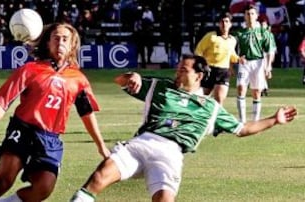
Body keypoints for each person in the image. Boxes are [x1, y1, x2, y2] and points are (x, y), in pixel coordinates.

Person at [69, 54, 297, 202]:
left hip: (171, 154)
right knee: (97, 179)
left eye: (183, 70)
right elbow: (120, 81)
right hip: (141, 144)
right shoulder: (160, 86)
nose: (177, 72)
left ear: (198, 76)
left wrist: (274, 119)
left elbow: (243, 129)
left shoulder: (210, 107)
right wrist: (132, 76)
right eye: (178, 68)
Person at [0, 22, 110, 202]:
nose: (60, 42)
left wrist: (101, 146)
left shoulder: (79, 80)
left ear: (72, 45)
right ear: (47, 43)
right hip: (22, 130)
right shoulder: (29, 70)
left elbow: (87, 114)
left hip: (50, 139)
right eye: (56, 38)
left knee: (44, 188)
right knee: (2, 183)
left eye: (65, 39)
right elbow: (3, 102)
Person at [233, 4, 276, 123]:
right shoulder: (239, 33)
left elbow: (270, 50)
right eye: (247, 14)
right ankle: (242, 121)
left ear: (256, 16)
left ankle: (255, 121)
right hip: (244, 63)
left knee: (256, 92)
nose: (250, 16)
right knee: (241, 88)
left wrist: (268, 67)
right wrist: (236, 58)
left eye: (252, 13)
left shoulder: (263, 32)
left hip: (258, 63)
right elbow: (231, 49)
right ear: (244, 16)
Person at [195, 12, 241, 105]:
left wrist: (239, 59)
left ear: (230, 24)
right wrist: (202, 66)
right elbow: (198, 51)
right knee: (201, 99)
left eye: (227, 21)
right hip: (209, 70)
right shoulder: (211, 36)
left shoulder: (232, 40)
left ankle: (216, 118)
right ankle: (201, 116)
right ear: (219, 24)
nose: (224, 24)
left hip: (223, 72)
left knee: (219, 100)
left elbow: (232, 55)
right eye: (222, 21)